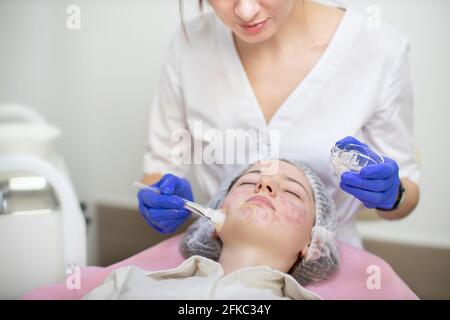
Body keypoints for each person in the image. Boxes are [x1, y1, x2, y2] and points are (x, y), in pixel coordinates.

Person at [139, 0, 420, 247]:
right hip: (221, 257)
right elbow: (159, 169)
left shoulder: (378, 49)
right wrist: (160, 197)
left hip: (332, 267)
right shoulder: (190, 43)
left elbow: (406, 194)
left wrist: (393, 195)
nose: (246, 11)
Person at [85, 160, 338, 299]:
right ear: (215, 224)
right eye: (249, 181)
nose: (264, 183)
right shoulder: (126, 283)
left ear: (312, 243)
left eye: (292, 191)